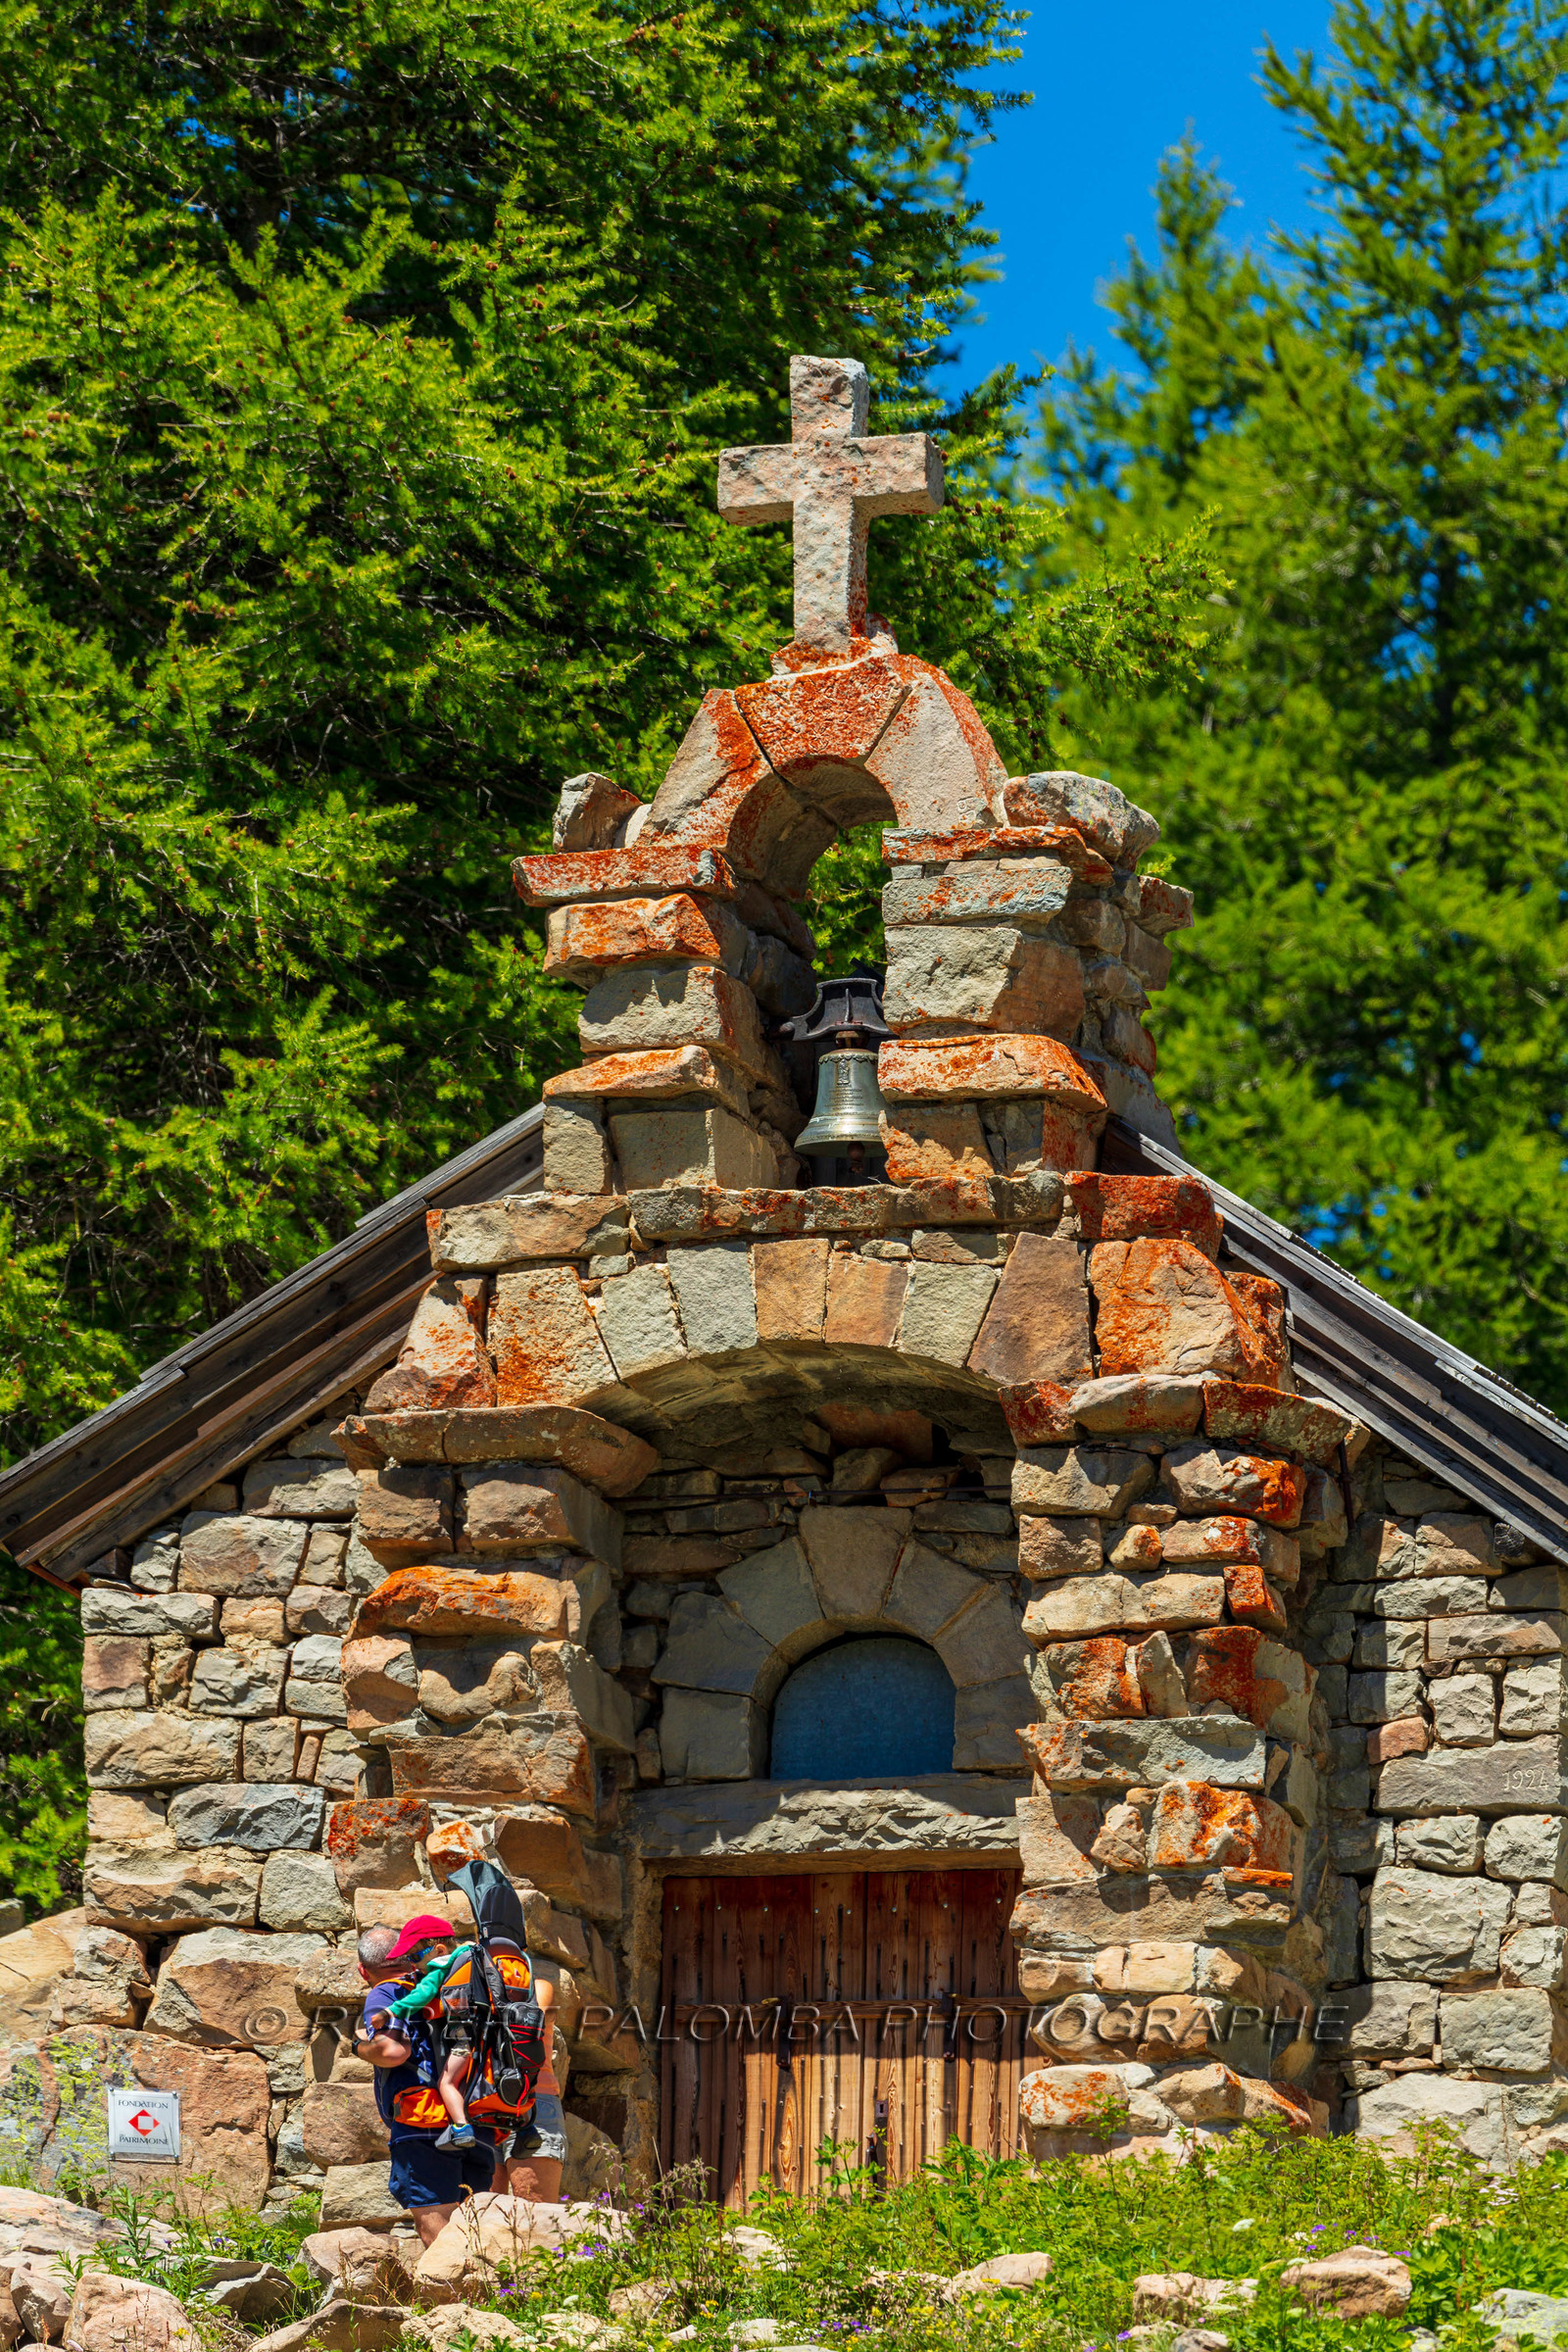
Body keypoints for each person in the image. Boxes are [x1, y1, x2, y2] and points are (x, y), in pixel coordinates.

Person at [348, 1919, 497, 2243]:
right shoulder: (457, 1982)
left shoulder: (388, 1992)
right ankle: (488, 2294)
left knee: (439, 2229)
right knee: (474, 2229)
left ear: (363, 1971)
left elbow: (391, 2051)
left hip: (426, 2123)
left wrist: (358, 2046)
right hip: (480, 2119)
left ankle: (454, 2294)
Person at [385, 1927, 481, 2149]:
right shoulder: (475, 1957)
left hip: (464, 2041)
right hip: (491, 2037)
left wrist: (392, 2011)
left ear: (439, 1949)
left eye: (415, 1957)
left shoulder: (440, 1964)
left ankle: (461, 2127)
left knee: (447, 2082)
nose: (413, 1965)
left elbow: (423, 1995)